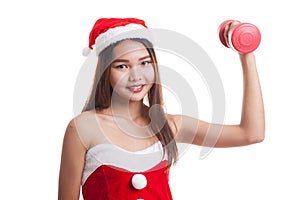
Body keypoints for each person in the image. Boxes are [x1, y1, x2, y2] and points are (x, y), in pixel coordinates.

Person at [58, 18, 265, 200]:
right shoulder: (83, 128)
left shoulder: (170, 125)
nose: (136, 76)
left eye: (144, 63)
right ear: (105, 71)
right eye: (122, 66)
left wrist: (247, 56)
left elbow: (251, 133)